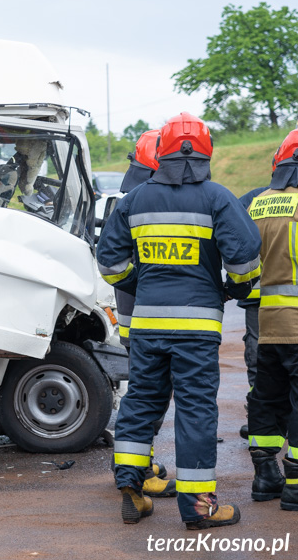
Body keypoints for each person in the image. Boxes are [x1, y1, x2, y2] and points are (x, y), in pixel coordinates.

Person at [97, 112, 261, 529]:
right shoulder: (218, 198)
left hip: (149, 326)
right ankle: (199, 508)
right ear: (205, 153)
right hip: (197, 330)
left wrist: (142, 281)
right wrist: (234, 288)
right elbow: (244, 259)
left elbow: (110, 263)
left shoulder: (134, 201)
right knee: (195, 411)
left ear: (162, 153)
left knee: (141, 402)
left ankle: (131, 488)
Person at [112, 129, 176, 499]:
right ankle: (138, 469)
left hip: (132, 318)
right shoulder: (148, 204)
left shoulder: (128, 199)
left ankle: (134, 463)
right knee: (149, 396)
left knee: (141, 393)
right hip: (146, 320)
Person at [245, 129, 298, 510]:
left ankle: (266, 477)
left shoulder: (257, 204)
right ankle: (295, 485)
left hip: (266, 327)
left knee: (265, 400)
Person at [236, 186, 268, 440]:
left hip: (257, 293)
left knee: (257, 355)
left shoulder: (253, 199)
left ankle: (260, 416)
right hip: (266, 296)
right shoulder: (253, 199)